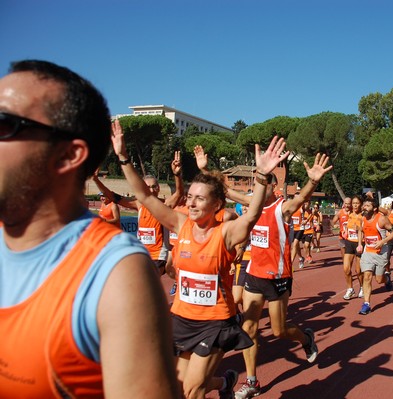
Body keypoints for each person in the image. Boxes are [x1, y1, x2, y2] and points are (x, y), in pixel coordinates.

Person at [0, 60, 178, 397]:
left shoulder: (115, 273)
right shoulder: (132, 207)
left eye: (5, 123)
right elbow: (125, 197)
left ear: (68, 155)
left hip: (155, 255)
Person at [112, 120, 290, 399]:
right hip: (182, 318)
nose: (191, 203)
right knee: (175, 387)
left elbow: (253, 215)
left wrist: (263, 176)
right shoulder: (180, 223)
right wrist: (123, 157)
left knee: (192, 390)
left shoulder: (227, 232)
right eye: (190, 197)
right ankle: (224, 383)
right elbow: (144, 196)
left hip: (214, 322)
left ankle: (219, 383)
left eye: (199, 199)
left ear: (217, 205)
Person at [192, 146, 331, 399]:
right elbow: (224, 189)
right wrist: (203, 169)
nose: (258, 186)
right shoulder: (250, 203)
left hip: (277, 279)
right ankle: (252, 381)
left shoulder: (282, 207)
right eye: (257, 180)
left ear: (273, 188)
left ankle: (305, 338)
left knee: (279, 331)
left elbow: (301, 199)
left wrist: (312, 181)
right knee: (249, 329)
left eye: (263, 182)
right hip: (254, 275)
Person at [94, 153, 184, 276]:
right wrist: (95, 180)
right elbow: (113, 196)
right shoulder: (139, 204)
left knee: (148, 280)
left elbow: (179, 193)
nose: (152, 190)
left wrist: (177, 174)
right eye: (148, 187)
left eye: (154, 186)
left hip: (158, 255)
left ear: (158, 188)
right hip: (142, 252)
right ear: (143, 189)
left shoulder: (165, 205)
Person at [357, 197, 393, 315]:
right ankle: (366, 304)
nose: (364, 207)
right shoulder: (362, 218)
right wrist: (360, 244)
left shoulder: (382, 219)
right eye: (364, 205)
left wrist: (382, 241)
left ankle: (387, 279)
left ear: (374, 208)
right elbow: (360, 230)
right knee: (367, 276)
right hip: (368, 252)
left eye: (367, 206)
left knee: (379, 280)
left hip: (381, 252)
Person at [341, 196, 364, 300]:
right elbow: (346, 225)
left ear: (361, 204)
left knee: (358, 270)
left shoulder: (363, 216)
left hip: (359, 244)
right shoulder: (349, 214)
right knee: (346, 268)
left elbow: (367, 229)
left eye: (357, 203)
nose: (355, 205)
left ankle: (363, 287)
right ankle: (350, 289)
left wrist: (360, 229)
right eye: (353, 203)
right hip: (349, 242)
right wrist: (345, 230)